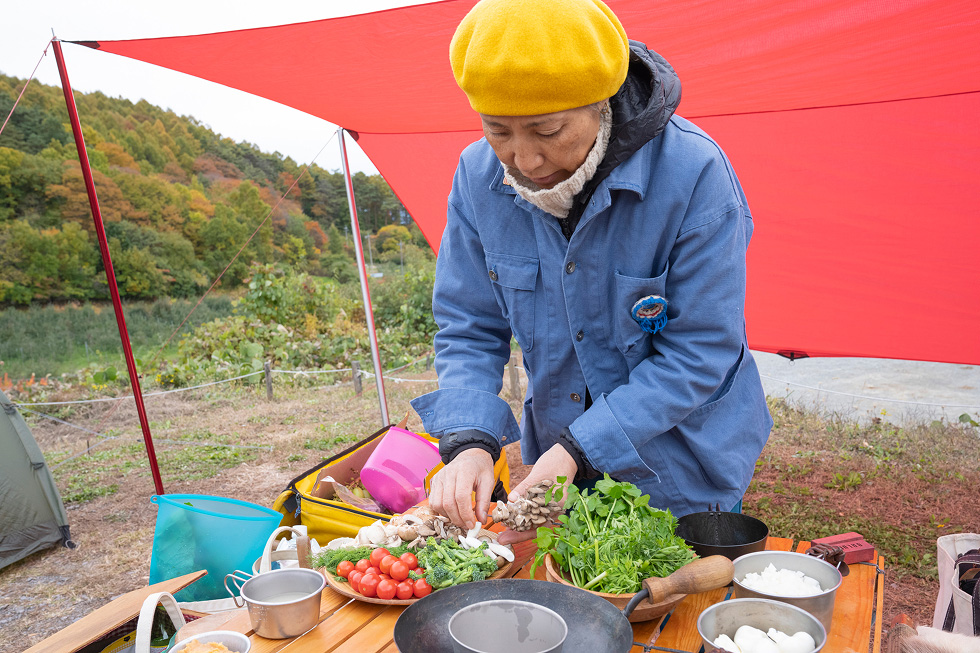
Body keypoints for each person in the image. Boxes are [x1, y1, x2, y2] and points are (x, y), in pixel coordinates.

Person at [410, 0, 773, 544]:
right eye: (498, 131)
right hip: (558, 464)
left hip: (682, 468)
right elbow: (468, 324)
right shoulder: (478, 177)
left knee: (671, 614)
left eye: (547, 130)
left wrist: (578, 449)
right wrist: (469, 442)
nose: (524, 160)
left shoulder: (695, 174)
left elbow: (700, 351)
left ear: (600, 103)